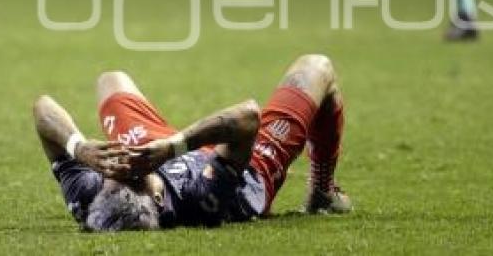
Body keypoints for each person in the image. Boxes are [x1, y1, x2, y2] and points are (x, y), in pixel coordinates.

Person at [33, 54, 351, 231]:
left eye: (113, 177)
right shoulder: (202, 197)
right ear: (158, 201)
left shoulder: (90, 195)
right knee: (317, 68)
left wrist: (78, 147)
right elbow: (248, 118)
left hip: (155, 150)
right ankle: (322, 191)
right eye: (132, 176)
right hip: (240, 166)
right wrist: (173, 147)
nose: (122, 166)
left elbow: (43, 108)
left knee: (111, 79)